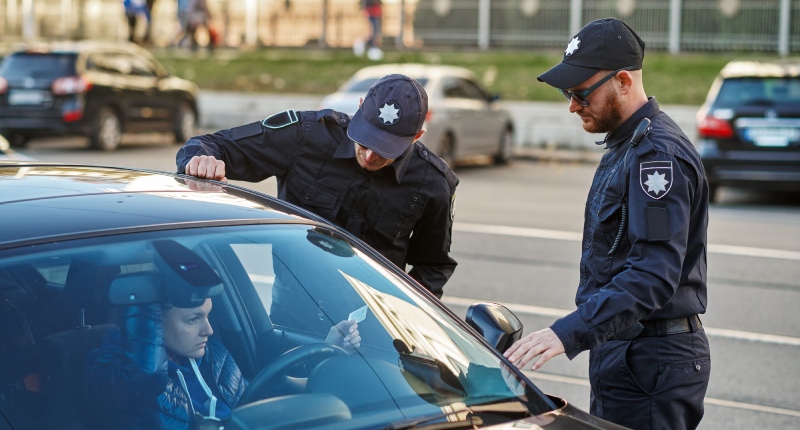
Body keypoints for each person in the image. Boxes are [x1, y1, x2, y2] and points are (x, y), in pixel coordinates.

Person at [503, 18, 710, 430]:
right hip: (628, 351)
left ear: (623, 81)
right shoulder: (626, 143)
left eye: (581, 93)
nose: (572, 105)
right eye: (567, 92)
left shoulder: (656, 158)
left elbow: (653, 275)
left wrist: (569, 332)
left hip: (650, 361)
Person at [176, 74, 459, 298]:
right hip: (296, 306)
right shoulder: (306, 135)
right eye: (366, 140)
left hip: (377, 322)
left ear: (417, 136)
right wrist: (200, 161)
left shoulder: (432, 183)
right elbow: (212, 144)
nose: (371, 156)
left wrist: (406, 307)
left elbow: (433, 266)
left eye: (386, 149)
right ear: (359, 107)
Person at [85, 298, 361, 429]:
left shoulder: (211, 354)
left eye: (208, 316)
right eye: (193, 319)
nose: (209, 330)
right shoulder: (114, 371)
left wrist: (328, 352)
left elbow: (259, 398)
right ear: (154, 321)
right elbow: (141, 382)